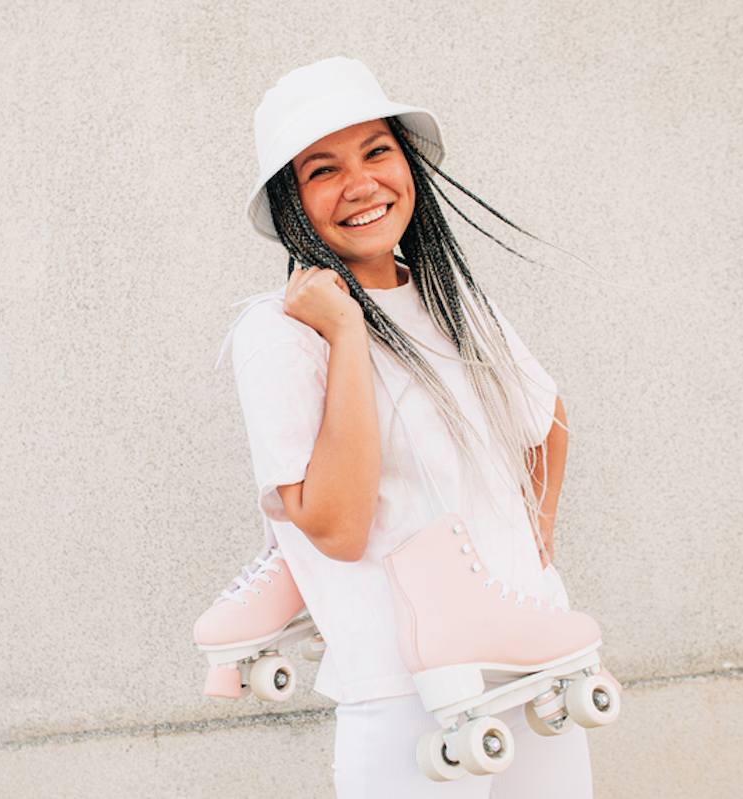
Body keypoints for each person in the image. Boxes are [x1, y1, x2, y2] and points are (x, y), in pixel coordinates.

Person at [218, 56, 597, 797]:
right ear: (291, 202)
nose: (361, 184)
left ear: (409, 164)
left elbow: (546, 419)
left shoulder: (450, 301)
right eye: (322, 169)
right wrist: (349, 334)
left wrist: (537, 535)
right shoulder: (280, 333)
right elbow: (337, 526)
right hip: (404, 686)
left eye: (378, 152)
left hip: (536, 656)